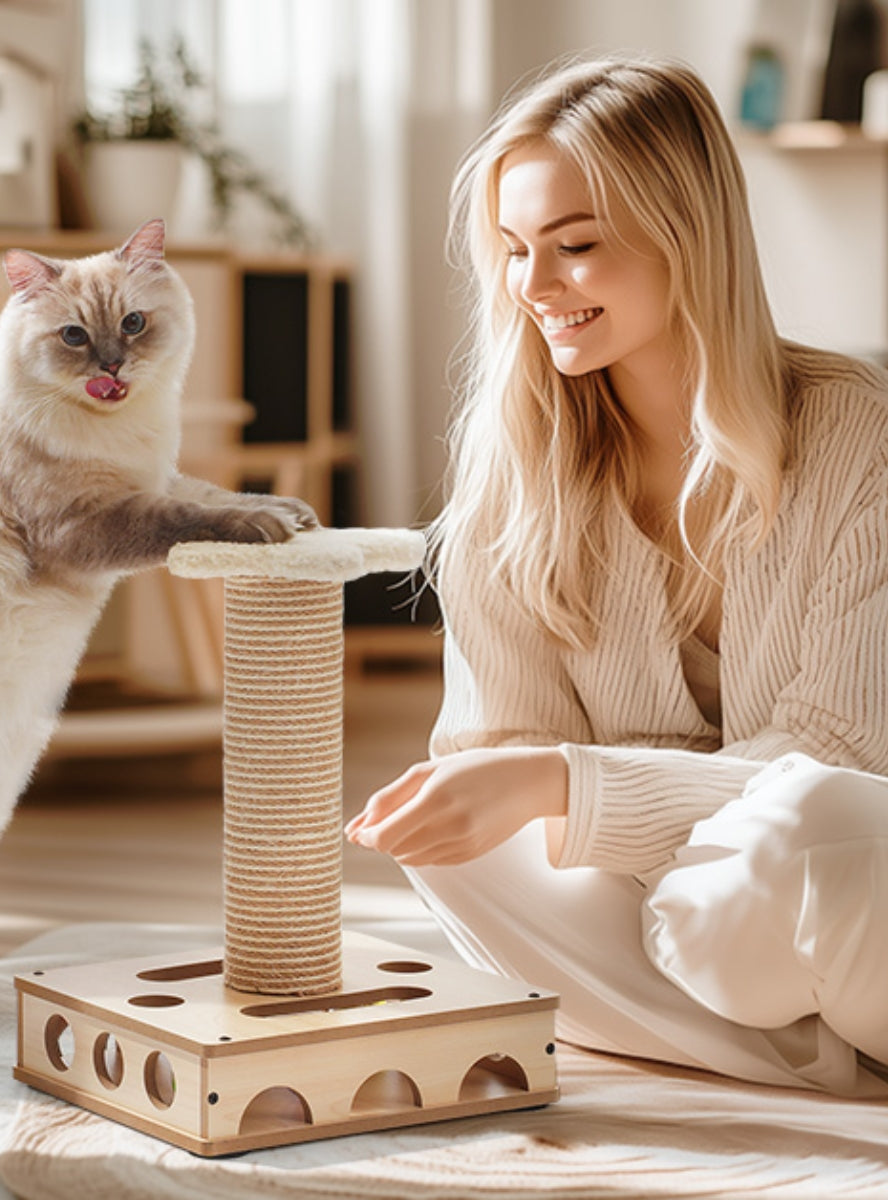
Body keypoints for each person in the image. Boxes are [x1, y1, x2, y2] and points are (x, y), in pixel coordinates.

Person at [345, 53, 888, 1096]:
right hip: (691, 910)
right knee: (454, 845)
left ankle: (746, 1036)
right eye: (514, 251)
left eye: (577, 246)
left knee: (801, 829)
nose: (533, 287)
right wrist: (551, 789)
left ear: (687, 234)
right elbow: (499, 754)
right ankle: (827, 1062)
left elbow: (846, 751)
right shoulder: (513, 472)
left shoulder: (856, 432)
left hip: (831, 871)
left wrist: (572, 785)